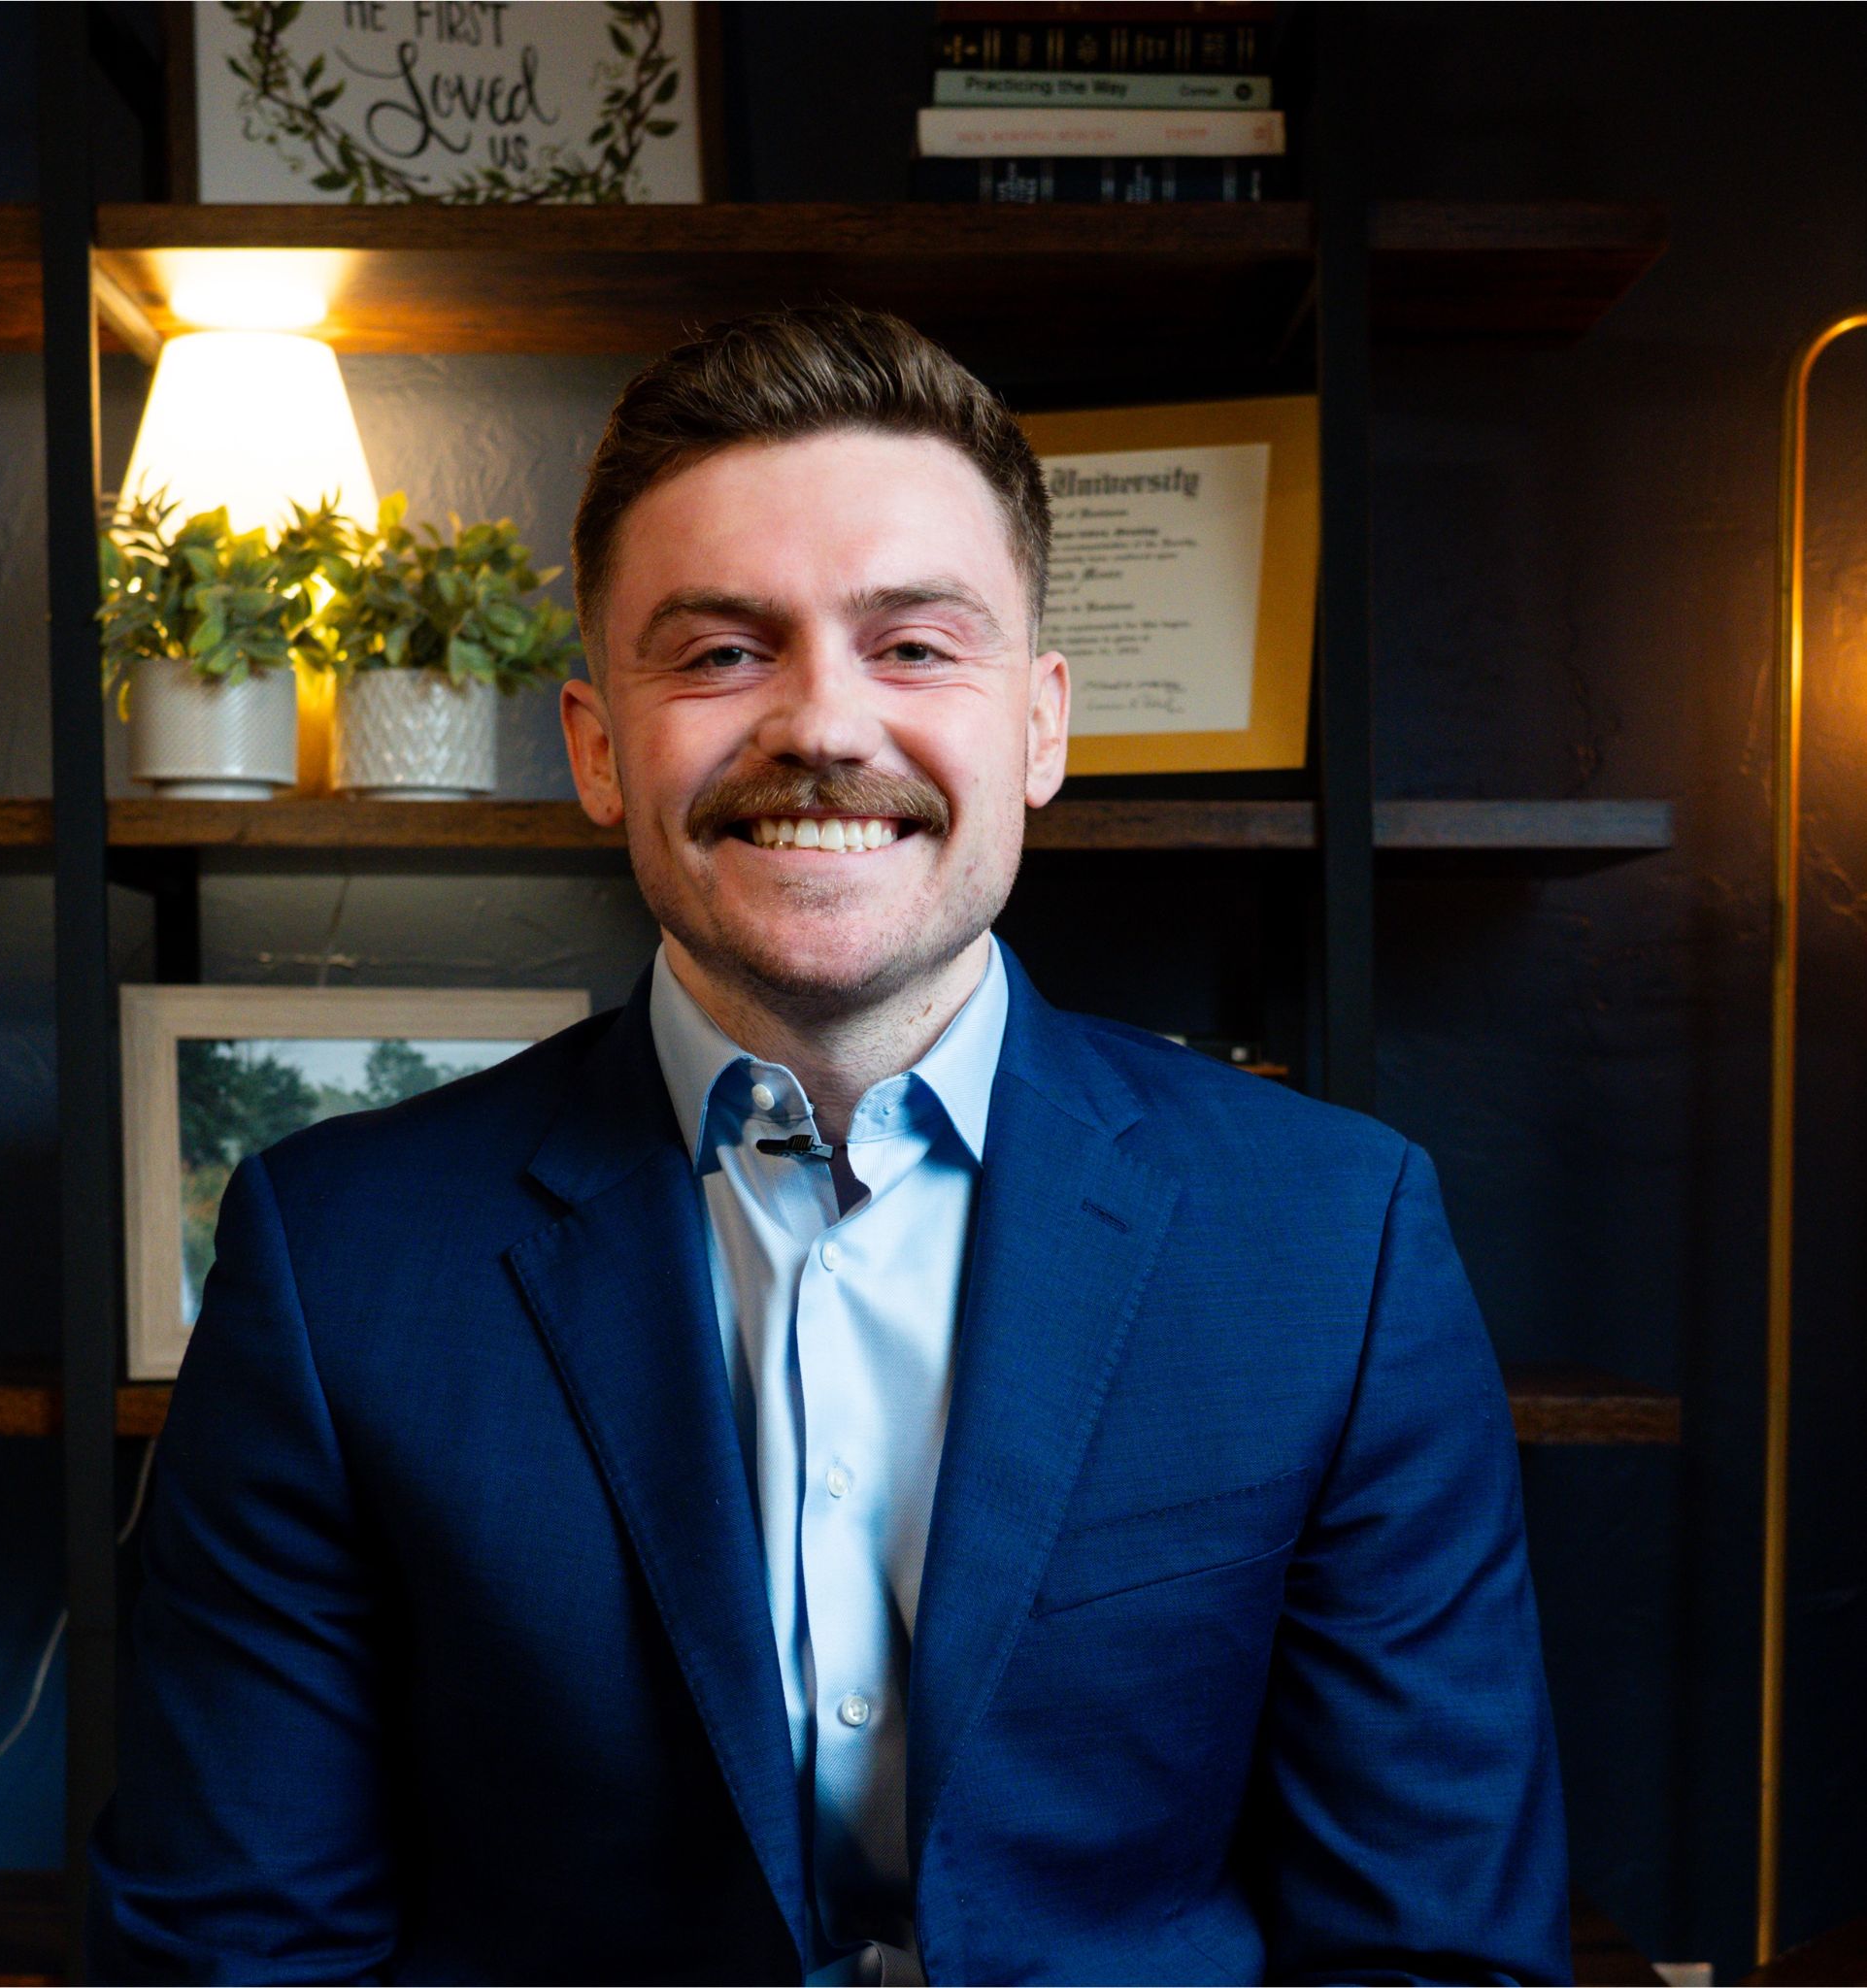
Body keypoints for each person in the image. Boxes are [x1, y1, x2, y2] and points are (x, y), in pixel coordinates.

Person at [88, 305, 1570, 1985]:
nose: (823, 726)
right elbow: (232, 1955)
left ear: (1041, 727)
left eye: (916, 646)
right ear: (593, 746)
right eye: (720, 651)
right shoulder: (334, 1260)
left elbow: (1433, 1955)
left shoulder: (1331, 1240)